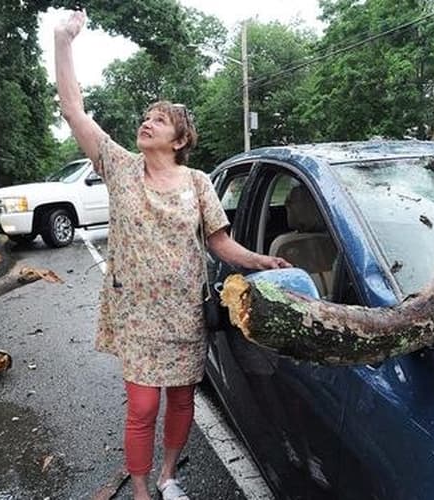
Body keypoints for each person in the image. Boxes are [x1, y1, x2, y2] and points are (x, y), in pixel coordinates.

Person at [54, 10, 290, 500]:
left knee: (182, 401)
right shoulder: (119, 167)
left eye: (159, 120)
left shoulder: (198, 183)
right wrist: (63, 41)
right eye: (147, 116)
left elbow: (219, 243)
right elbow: (74, 109)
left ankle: (168, 475)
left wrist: (261, 261)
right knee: (142, 407)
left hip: (185, 313)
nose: (146, 122)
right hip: (137, 314)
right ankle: (140, 486)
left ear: (179, 140)